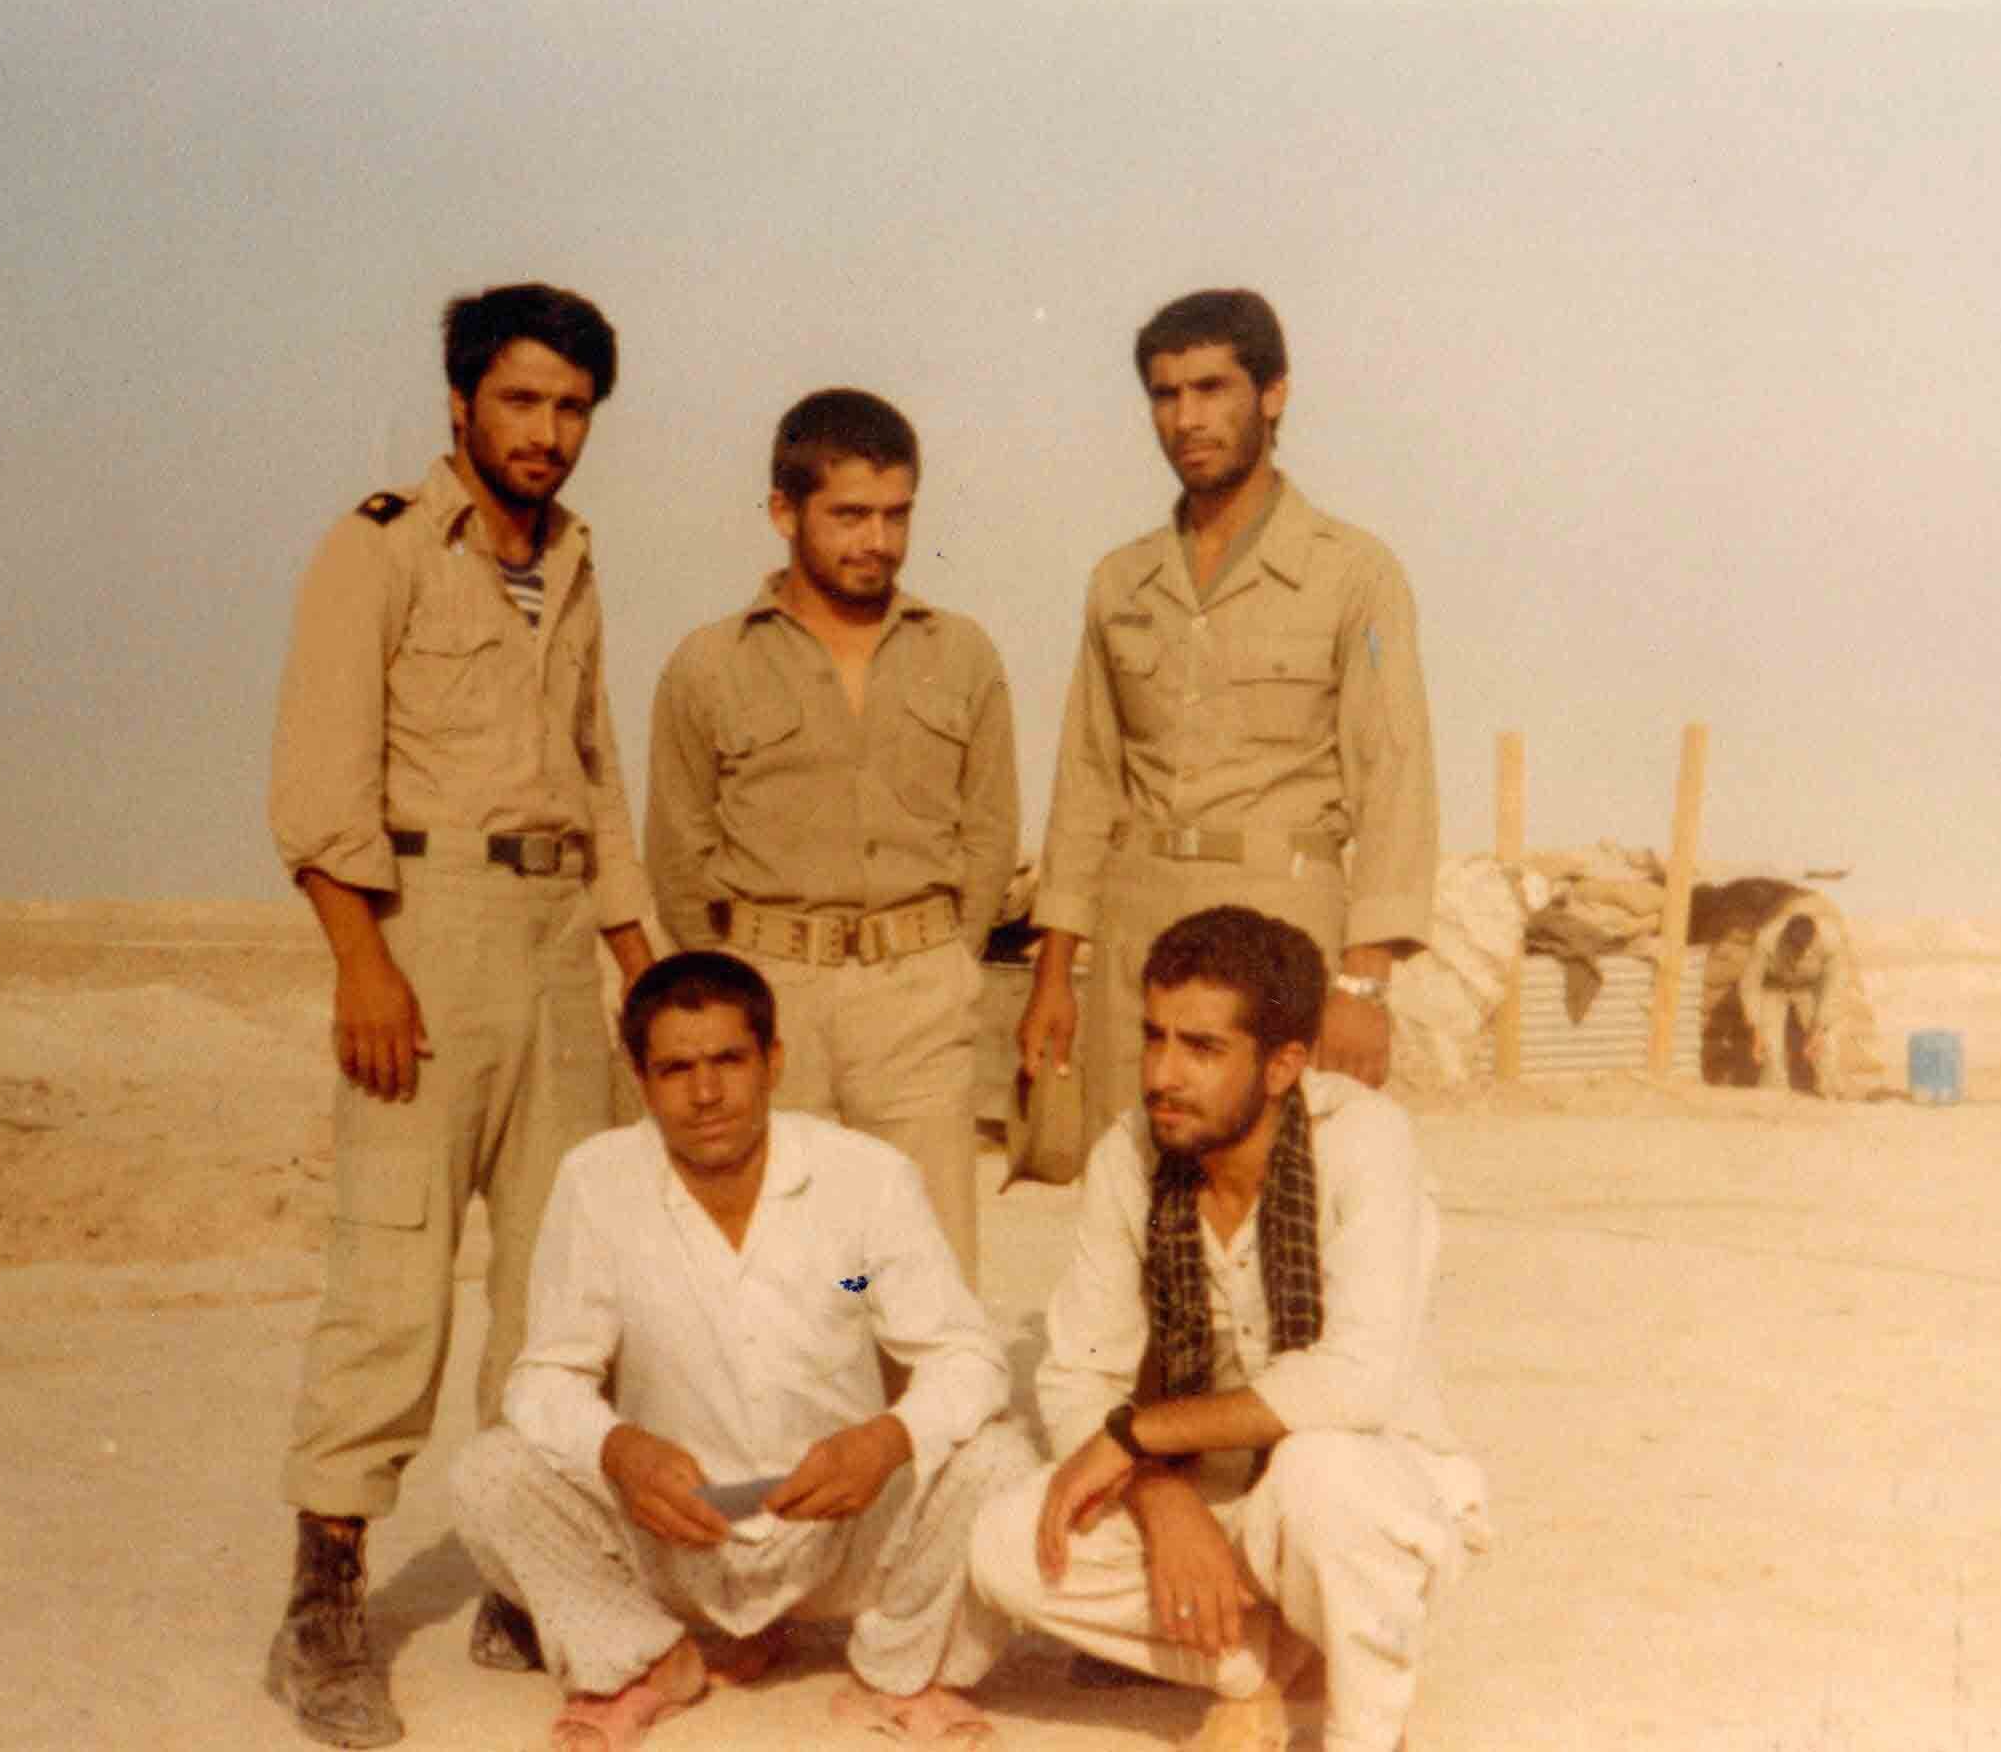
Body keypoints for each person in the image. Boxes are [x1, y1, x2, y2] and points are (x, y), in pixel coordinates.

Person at [264, 283, 656, 1747]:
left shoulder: (575, 564)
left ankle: (518, 1570)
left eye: (571, 409)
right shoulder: (378, 548)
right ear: (459, 405)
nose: (546, 433)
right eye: (520, 401)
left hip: (559, 949)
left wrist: (638, 959)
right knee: (394, 1275)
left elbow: (596, 777)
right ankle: (322, 1608)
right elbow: (320, 782)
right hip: (424, 936)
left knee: (557, 1283)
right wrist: (363, 964)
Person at [451, 951, 1039, 1752]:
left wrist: (885, 1441)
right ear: (639, 1079)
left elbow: (965, 1358)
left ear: (774, 1061)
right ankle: (645, 1662)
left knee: (999, 1460)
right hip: (680, 1523)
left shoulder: (865, 1180)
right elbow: (547, 1376)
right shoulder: (597, 1182)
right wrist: (619, 1450)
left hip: (838, 1514)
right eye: (676, 1069)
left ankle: (900, 1672)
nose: (706, 1094)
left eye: (729, 1060)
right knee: (489, 1472)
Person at [971, 906, 1487, 1752]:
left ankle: (1366, 1728)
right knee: (1008, 1547)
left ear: (1284, 1065)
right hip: (1216, 1496)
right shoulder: (1129, 1156)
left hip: (1370, 1490)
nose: (1163, 1075)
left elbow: (1353, 1383)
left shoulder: (1365, 1141)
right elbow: (1079, 1376)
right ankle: (1265, 1673)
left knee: (1321, 1478)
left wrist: (1140, 1436)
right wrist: (1159, 1493)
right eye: (1155, 1038)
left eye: (1202, 1049)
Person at [1017, 289, 1438, 1143]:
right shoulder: (1121, 582)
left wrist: (1363, 985)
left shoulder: (1354, 574)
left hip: (1279, 928)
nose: (1187, 419)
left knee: (1275, 1182)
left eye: (1212, 389)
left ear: (1273, 394)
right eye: (1165, 395)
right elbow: (1088, 777)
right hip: (1138, 932)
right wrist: (1054, 972)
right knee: (1132, 1180)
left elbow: (1394, 781)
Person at [645, 389, 1018, 1278]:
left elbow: (991, 830)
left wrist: (946, 961)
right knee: (783, 1272)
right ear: (784, 512)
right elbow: (678, 851)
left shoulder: (961, 654)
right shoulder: (710, 664)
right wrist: (744, 982)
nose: (877, 541)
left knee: (926, 1273)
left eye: (896, 515)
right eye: (849, 515)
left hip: (917, 998)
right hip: (773, 998)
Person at [1738, 896, 1854, 1095]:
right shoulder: (1766, 939)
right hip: (1774, 987)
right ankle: (1773, 1090)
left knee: (1826, 1041)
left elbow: (1834, 987)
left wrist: (1819, 1029)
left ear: (1815, 937)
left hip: (1810, 988)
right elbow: (1750, 984)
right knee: (1770, 1044)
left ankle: (1830, 1089)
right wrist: (1755, 1026)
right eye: (1794, 948)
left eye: (1805, 948)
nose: (1799, 954)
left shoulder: (1831, 941)